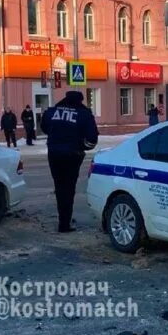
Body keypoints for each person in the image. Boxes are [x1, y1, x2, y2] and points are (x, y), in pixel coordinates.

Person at [40, 91, 99, 233]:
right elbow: (92, 140)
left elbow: (44, 127)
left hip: (54, 153)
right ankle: (65, 223)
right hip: (73, 155)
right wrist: (81, 146)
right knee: (69, 188)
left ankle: (63, 220)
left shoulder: (53, 111)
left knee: (59, 187)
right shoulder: (84, 114)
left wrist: (56, 136)